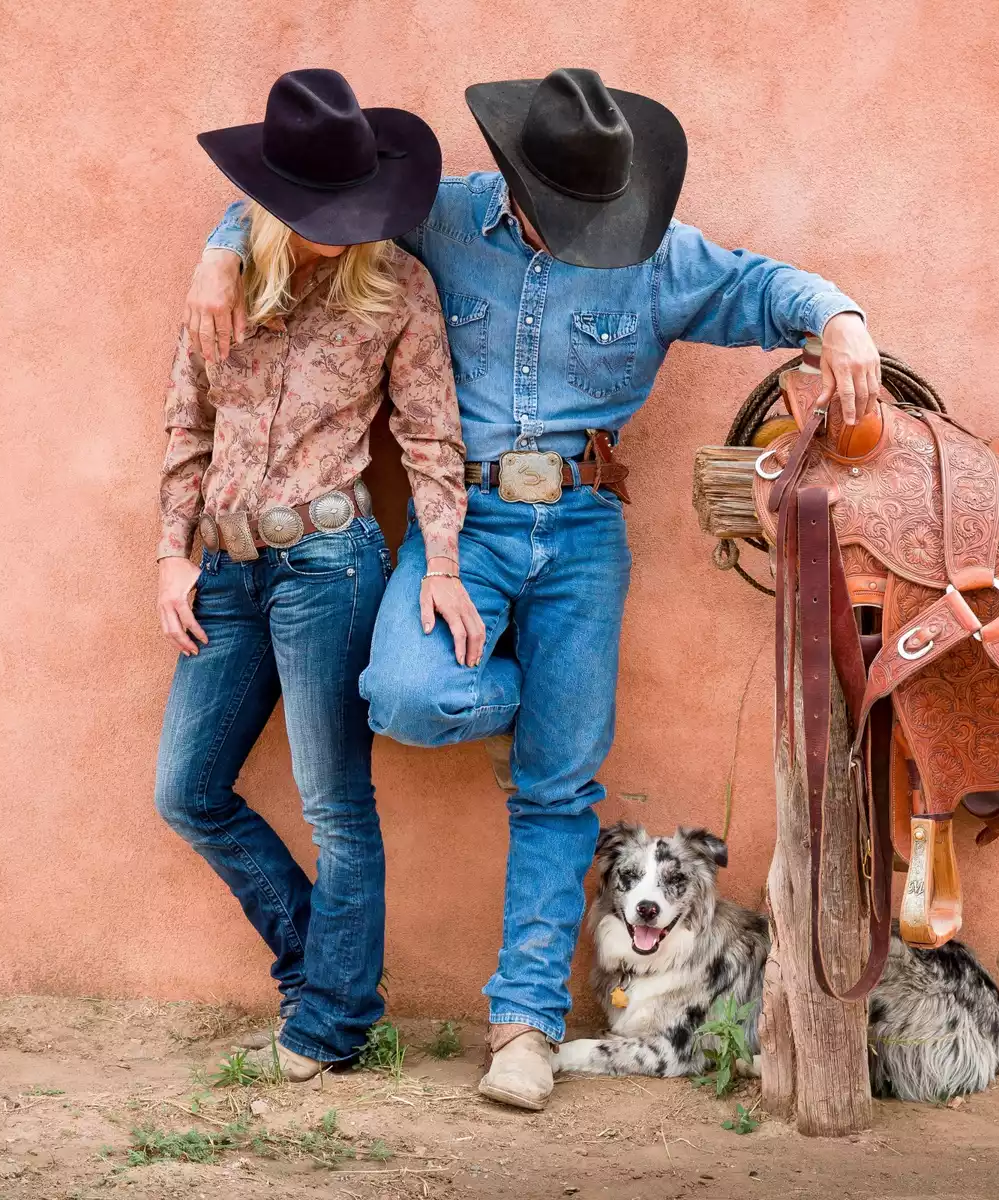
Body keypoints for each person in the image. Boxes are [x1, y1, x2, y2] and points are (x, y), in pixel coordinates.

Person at [188, 67, 884, 1111]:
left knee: (558, 790)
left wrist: (841, 324)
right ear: (515, 184)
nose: (578, 233)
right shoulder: (447, 215)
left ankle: (523, 1025)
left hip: (585, 526)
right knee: (405, 696)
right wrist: (225, 242)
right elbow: (315, 194)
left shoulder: (658, 249)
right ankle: (537, 708)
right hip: (459, 522)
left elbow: (767, 286)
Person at [153, 69, 481, 1081]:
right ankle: (326, 970)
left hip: (330, 566)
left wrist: (444, 563)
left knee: (337, 804)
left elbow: (432, 438)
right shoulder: (224, 281)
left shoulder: (399, 287)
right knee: (187, 791)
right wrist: (172, 550)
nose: (339, 227)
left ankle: (332, 1020)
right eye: (316, 209)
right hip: (227, 569)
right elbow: (186, 422)